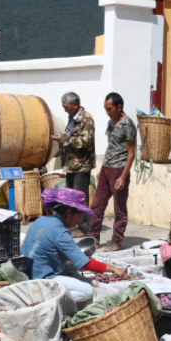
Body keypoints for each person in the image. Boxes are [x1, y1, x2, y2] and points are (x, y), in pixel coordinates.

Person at [21, 188, 127, 303]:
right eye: (78, 217)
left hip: (27, 272)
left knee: (72, 271)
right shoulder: (61, 232)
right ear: (68, 213)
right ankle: (44, 301)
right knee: (87, 291)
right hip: (41, 278)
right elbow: (85, 264)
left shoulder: (41, 220)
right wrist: (114, 269)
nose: (78, 221)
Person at [87, 93, 137, 252]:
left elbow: (131, 153)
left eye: (109, 109)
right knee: (96, 206)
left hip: (119, 170)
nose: (107, 112)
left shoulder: (128, 125)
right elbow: (110, 146)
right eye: (106, 109)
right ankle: (92, 239)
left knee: (119, 210)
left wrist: (123, 176)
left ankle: (116, 241)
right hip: (106, 169)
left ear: (119, 107)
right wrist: (102, 169)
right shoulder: (111, 122)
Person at [51, 92, 95, 237]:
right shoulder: (72, 118)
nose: (64, 110)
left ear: (75, 104)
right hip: (71, 163)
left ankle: (83, 227)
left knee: (80, 197)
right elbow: (71, 137)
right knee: (70, 196)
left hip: (81, 164)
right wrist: (62, 138)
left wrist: (63, 140)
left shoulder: (86, 119)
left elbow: (84, 141)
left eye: (66, 107)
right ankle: (72, 224)